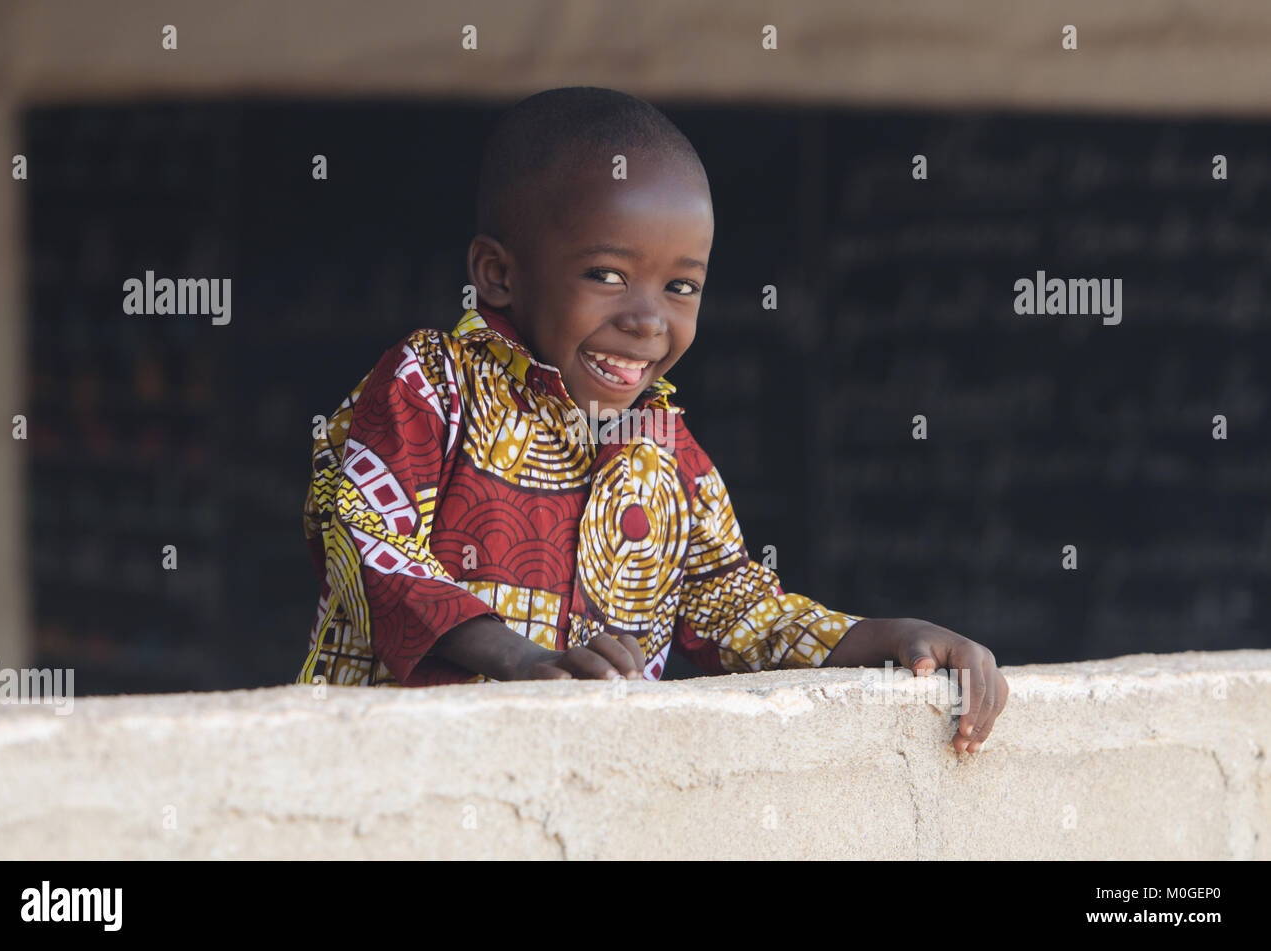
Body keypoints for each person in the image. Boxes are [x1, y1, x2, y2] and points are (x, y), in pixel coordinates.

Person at [297, 86, 1007, 754]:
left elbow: (736, 608)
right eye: (607, 274)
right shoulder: (434, 385)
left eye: (680, 286)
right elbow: (365, 542)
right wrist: (519, 658)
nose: (646, 319)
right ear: (498, 274)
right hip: (386, 788)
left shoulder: (666, 449)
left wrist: (896, 634)